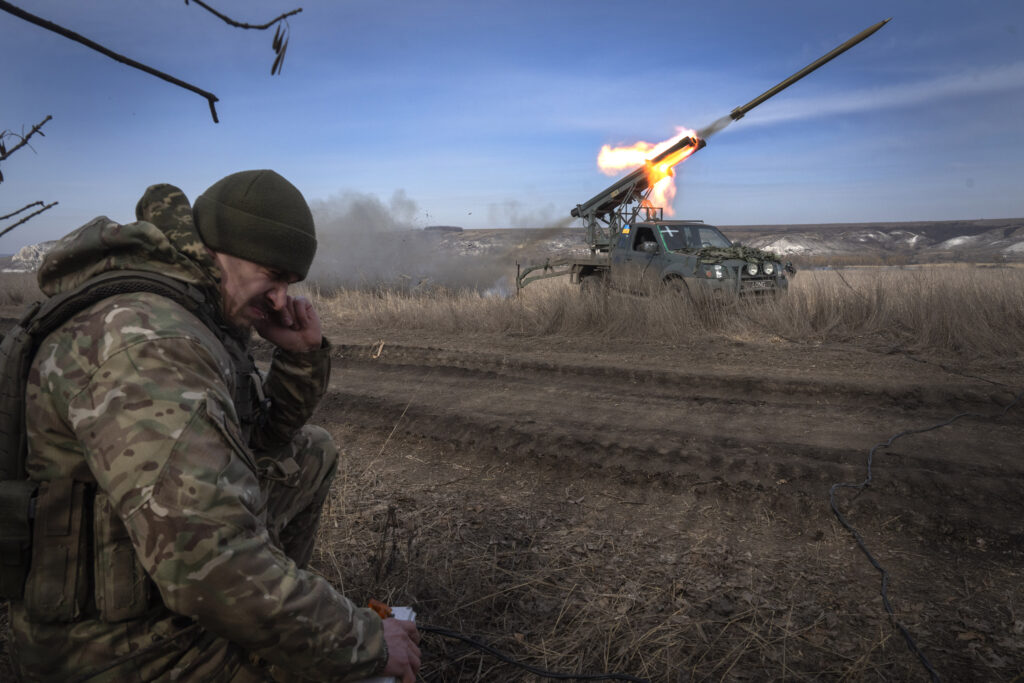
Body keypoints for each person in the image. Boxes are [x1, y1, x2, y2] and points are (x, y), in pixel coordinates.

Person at [9, 170, 421, 682]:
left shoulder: (191, 312)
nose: (279, 299)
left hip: (150, 583)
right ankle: (265, 620)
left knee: (310, 453)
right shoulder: (153, 342)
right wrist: (361, 641)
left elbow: (262, 446)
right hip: (115, 649)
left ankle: (268, 612)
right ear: (224, 249)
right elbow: (207, 562)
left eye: (289, 284)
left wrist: (300, 358)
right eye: (272, 275)